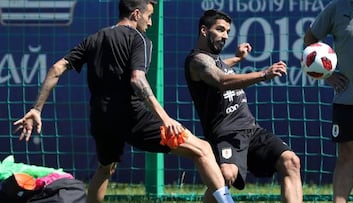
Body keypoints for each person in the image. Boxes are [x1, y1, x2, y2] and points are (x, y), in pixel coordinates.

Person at [12, 1, 235, 203]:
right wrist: (165, 118)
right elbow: (137, 79)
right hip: (133, 117)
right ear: (136, 14)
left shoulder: (95, 38)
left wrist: (36, 108)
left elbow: (56, 68)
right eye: (149, 16)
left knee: (105, 168)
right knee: (203, 149)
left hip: (101, 119)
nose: (150, 22)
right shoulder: (140, 39)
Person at [184, 9, 303, 203]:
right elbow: (221, 80)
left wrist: (238, 59)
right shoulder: (197, 61)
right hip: (226, 134)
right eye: (220, 30)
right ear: (204, 31)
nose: (225, 36)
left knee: (291, 162)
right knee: (226, 175)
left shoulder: (215, 61)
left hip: (252, 130)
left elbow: (220, 65)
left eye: (227, 31)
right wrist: (264, 74)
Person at [304, 1, 353, 202]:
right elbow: (309, 40)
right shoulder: (336, 7)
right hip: (347, 99)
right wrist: (327, 76)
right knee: (346, 154)